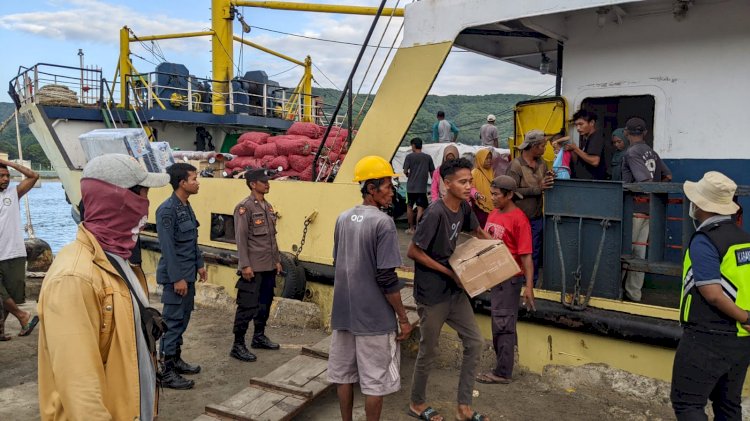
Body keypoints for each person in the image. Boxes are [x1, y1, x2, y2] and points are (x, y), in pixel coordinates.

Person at [38, 154, 169, 420]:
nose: (146, 207)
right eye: (142, 195)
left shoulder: (118, 261)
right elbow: (81, 394)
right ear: (118, 200)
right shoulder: (74, 278)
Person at [328, 156, 413, 421]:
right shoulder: (383, 223)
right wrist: (403, 317)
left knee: (344, 376)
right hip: (374, 318)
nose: (392, 192)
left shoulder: (342, 218)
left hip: (343, 314)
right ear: (371, 189)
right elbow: (387, 278)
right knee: (375, 382)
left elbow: (338, 262)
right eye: (388, 186)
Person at [408, 157, 491, 421]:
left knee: (475, 343)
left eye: (470, 181)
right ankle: (416, 403)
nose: (468, 186)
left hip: (455, 292)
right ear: (447, 184)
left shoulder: (465, 208)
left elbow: (477, 232)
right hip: (432, 294)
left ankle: (463, 407)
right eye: (462, 182)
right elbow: (413, 251)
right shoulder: (435, 213)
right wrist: (448, 272)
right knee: (428, 350)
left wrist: (496, 249)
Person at [671, 171, 750, 420]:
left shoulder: (705, 240)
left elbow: (712, 293)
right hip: (740, 340)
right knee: (728, 405)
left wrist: (746, 316)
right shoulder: (744, 240)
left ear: (700, 206)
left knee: (688, 404)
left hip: (707, 336)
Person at [476, 175, 535, 385]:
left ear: (509, 195)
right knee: (500, 321)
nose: (492, 198)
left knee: (503, 324)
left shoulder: (520, 220)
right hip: (496, 277)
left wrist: (529, 286)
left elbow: (526, 256)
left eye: (496, 194)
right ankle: (503, 367)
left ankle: (502, 372)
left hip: (509, 279)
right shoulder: (494, 213)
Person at [157, 162, 207, 389]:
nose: (197, 183)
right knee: (172, 323)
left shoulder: (185, 206)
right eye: (194, 179)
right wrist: (177, 278)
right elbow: (168, 248)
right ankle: (165, 371)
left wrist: (200, 264)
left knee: (183, 319)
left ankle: (175, 359)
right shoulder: (167, 210)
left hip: (188, 274)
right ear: (182, 183)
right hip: (176, 277)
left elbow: (191, 240)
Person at [230, 168, 282, 363]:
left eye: (267, 180)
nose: (267, 183)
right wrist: (244, 265)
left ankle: (258, 336)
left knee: (264, 304)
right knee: (246, 306)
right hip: (252, 267)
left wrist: (276, 260)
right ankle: (238, 344)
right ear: (253, 184)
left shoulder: (267, 207)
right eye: (263, 181)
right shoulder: (244, 208)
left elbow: (272, 238)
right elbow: (241, 239)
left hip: (267, 265)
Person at [621, 117, 671, 302]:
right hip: (649, 209)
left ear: (626, 132)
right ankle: (634, 293)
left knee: (625, 252)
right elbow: (668, 175)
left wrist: (646, 192)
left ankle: (616, 291)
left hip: (633, 209)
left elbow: (644, 182)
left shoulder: (631, 152)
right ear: (645, 133)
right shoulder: (652, 152)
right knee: (639, 255)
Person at [506, 130, 554, 284]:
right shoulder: (516, 165)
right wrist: (537, 189)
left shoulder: (542, 163)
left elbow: (544, 183)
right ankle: (517, 282)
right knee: (519, 252)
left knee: (534, 251)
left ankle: (530, 283)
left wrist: (550, 178)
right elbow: (511, 192)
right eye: (542, 146)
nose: (545, 149)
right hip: (520, 219)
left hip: (536, 217)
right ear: (533, 146)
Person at [0, 158, 39, 341]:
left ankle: (0, 330)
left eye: (7, 176)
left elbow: (34, 175)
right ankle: (23, 316)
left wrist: (10, 164)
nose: (6, 179)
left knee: (10, 295)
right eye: (1, 176)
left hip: (13, 252)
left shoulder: (12, 194)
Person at [403, 138, 435, 234]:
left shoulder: (409, 157)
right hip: (422, 188)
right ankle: (418, 229)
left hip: (410, 187)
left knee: (409, 207)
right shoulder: (428, 157)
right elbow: (432, 173)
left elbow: (405, 171)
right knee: (420, 208)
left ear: (413, 145)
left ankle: (411, 228)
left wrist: (409, 175)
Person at [566, 110, 607, 180]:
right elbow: (580, 161)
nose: (578, 128)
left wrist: (576, 149)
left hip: (593, 183)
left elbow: (595, 161)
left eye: (581, 124)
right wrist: (572, 150)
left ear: (592, 123)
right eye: (576, 125)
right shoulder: (586, 139)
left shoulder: (596, 137)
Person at [470, 148, 495, 227]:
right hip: (479, 205)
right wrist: (477, 195)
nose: (489, 160)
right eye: (486, 158)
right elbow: (471, 187)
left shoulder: (490, 171)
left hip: (491, 204)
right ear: (480, 159)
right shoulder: (475, 172)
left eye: (490, 158)